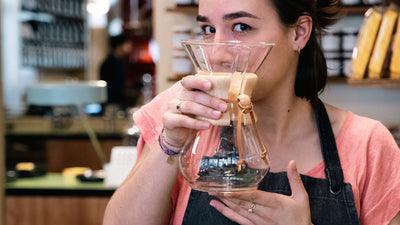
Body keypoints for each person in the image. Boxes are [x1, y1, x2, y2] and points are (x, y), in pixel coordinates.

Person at [103, 0, 400, 224]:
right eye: (208, 29)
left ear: (299, 33)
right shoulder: (176, 113)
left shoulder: (367, 144)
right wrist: (170, 144)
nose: (217, 54)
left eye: (241, 27)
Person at [100, 34, 133, 109]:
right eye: (127, 44)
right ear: (119, 46)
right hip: (111, 104)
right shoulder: (109, 63)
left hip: (118, 103)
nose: (130, 47)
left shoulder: (120, 61)